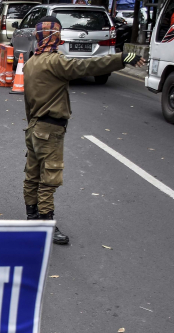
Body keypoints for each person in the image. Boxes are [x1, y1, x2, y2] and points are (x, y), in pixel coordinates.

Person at [21, 16, 145, 244]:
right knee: (49, 178)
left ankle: (32, 217)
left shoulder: (31, 63)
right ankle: (47, 226)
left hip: (34, 128)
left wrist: (31, 127)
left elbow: (28, 101)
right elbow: (87, 65)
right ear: (54, 36)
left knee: (32, 175)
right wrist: (121, 58)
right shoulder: (54, 62)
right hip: (51, 129)